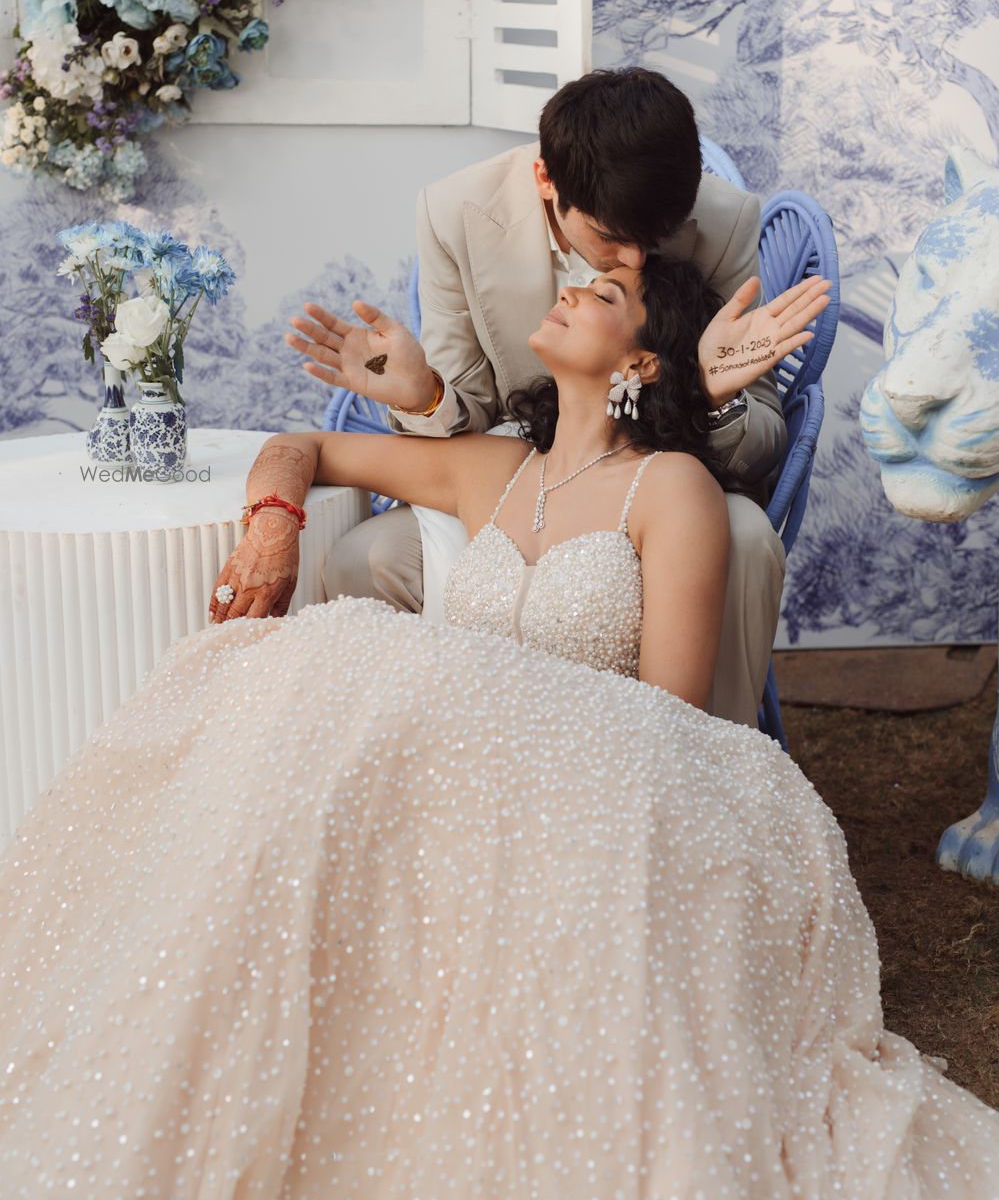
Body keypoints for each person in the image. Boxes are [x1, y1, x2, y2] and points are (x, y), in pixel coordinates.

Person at [4, 260, 999, 1200]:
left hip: (593, 801)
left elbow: (672, 727)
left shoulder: (670, 491)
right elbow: (301, 445)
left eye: (604, 292)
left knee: (360, 660)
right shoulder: (493, 468)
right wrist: (272, 526)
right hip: (454, 788)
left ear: (640, 363)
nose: (570, 287)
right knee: (302, 714)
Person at [300, 67, 789, 727]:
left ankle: (720, 764)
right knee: (369, 557)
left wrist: (710, 394)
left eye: (654, 239)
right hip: (523, 471)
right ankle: (418, 751)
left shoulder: (725, 221)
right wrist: (425, 393)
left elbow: (761, 441)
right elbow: (468, 406)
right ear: (545, 183)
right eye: (612, 238)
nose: (638, 260)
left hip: (668, 466)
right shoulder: (454, 214)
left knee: (748, 535)